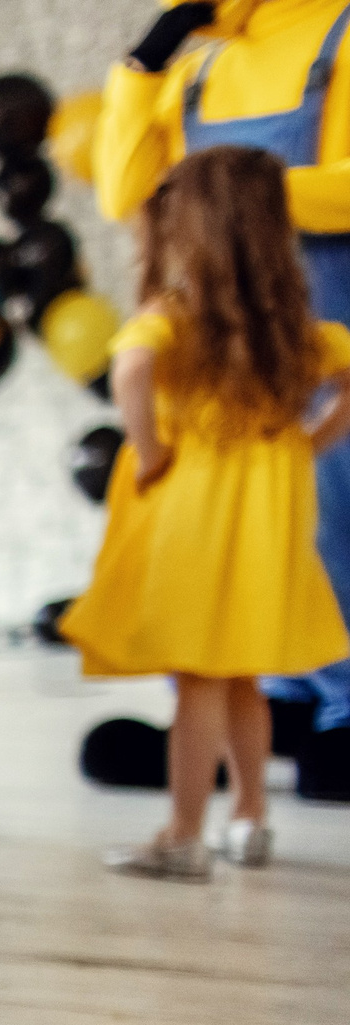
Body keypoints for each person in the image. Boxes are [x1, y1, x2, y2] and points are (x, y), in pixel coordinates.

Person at [61, 148, 350, 878]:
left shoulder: (174, 317)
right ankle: (250, 820)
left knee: (196, 683)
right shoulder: (292, 332)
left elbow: (130, 369)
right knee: (243, 679)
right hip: (268, 530)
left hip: (197, 528)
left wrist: (149, 449)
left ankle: (183, 834)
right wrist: (311, 441)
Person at [96, 0, 350, 784]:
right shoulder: (196, 67)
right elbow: (125, 192)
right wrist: (143, 67)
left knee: (331, 514)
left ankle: (341, 704)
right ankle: (257, 701)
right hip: (216, 342)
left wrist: (239, 206)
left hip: (317, 311)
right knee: (224, 533)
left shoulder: (340, 32)